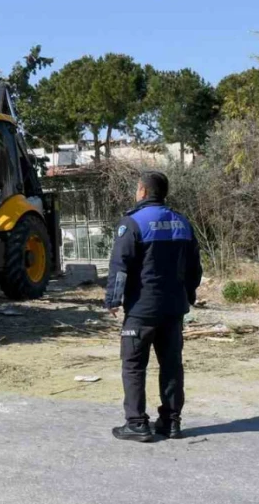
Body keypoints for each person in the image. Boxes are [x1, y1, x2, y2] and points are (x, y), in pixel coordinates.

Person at [105, 171, 203, 442]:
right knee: (171, 365)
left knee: (134, 364)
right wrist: (190, 294)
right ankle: (171, 422)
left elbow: (120, 265)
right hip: (174, 309)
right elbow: (195, 266)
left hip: (142, 310)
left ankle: (136, 423)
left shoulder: (133, 222)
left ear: (143, 191)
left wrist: (113, 299)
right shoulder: (182, 223)